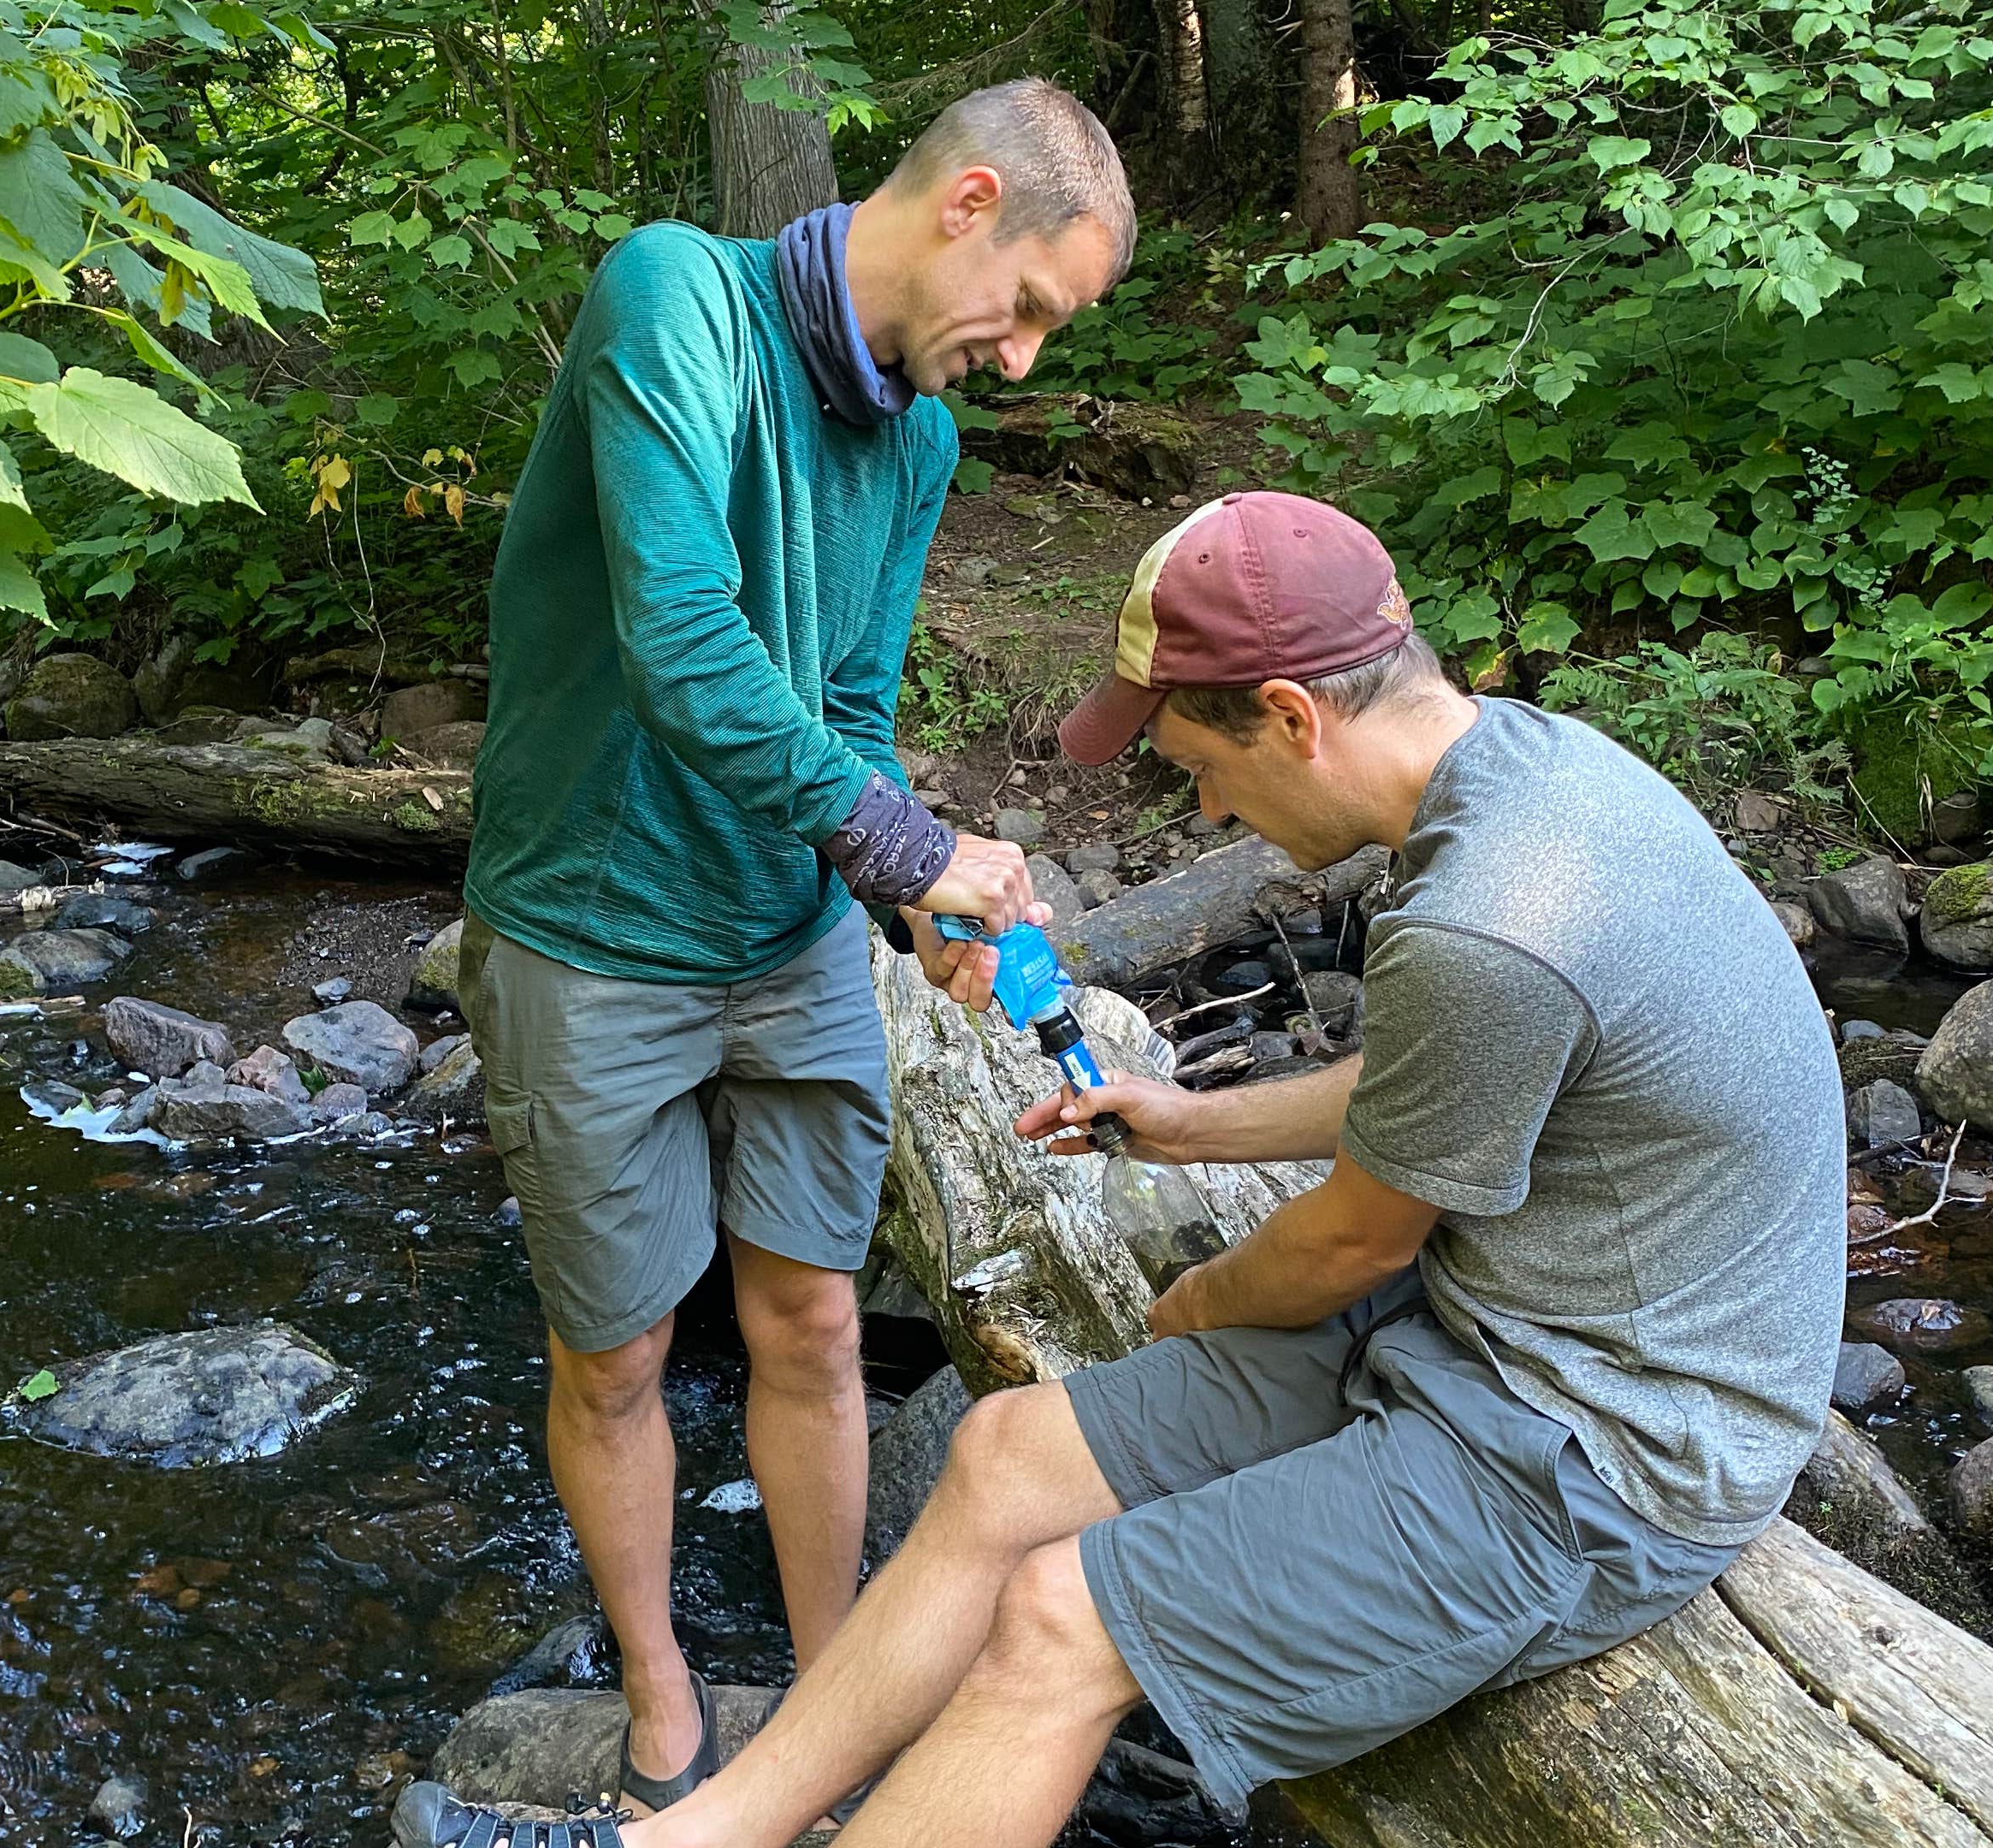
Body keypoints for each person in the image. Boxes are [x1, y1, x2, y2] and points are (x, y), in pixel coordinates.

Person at [400, 490, 1846, 1848]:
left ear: (1290, 716)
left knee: (1058, 1626)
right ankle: (712, 1831)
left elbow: (1349, 1248)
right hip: (1484, 1332)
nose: (1210, 816)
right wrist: (1192, 1121)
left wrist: (1203, 1303)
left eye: (1204, 773)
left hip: (1601, 1444)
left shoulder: (1491, 916)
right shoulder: (1522, 769)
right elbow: (1449, 1092)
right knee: (1001, 1453)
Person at [440, 79, 1137, 1820]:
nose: (1027, 359)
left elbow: (842, 710)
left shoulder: (918, 440)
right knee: (614, 1354)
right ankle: (666, 1714)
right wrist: (906, 844)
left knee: (816, 1322)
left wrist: (916, 899)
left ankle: (827, 1712)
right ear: (969, 202)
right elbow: (680, 648)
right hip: (594, 930)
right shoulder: (676, 295)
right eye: (1036, 308)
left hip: (794, 924)